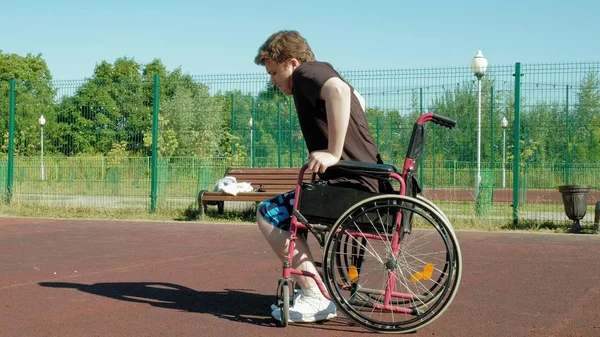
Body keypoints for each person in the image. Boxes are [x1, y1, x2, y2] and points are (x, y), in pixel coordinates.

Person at [254, 30, 383, 323]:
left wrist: (334, 153)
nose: (272, 80)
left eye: (274, 71)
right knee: (289, 214)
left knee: (268, 213)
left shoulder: (307, 73)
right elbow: (354, 97)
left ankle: (316, 295)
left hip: (352, 187)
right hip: (362, 182)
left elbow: (339, 91)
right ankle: (312, 288)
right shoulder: (318, 73)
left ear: (293, 62)